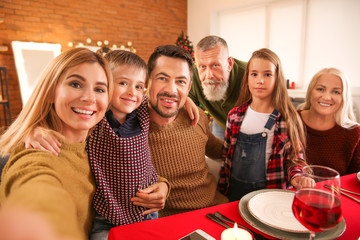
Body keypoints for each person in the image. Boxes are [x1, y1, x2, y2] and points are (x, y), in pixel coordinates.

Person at [22, 50, 170, 240]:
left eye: (139, 86)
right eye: (123, 83)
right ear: (106, 86)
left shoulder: (142, 109)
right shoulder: (95, 117)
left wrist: (189, 101)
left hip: (146, 210)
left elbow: (164, 99)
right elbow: (54, 117)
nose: (132, 92)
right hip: (107, 215)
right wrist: (33, 130)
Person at [0, 47, 113, 240]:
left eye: (100, 89)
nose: (89, 97)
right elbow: (38, 191)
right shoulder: (36, 150)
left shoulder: (97, 145)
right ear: (50, 92)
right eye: (76, 84)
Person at [146, 45, 228, 217]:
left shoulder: (196, 117)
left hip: (216, 211)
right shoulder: (130, 128)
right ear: (147, 81)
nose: (171, 90)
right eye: (162, 78)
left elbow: (217, 149)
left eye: (180, 81)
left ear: (189, 88)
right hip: (171, 223)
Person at [218, 48, 307, 201]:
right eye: (254, 74)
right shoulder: (234, 116)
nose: (260, 80)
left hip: (270, 195)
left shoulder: (286, 119)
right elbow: (226, 157)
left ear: (277, 78)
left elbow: (294, 160)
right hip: (234, 192)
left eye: (267, 74)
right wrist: (220, 190)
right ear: (247, 78)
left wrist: (296, 176)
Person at [298, 67, 360, 175]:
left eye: (336, 92)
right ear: (310, 91)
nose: (326, 97)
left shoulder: (354, 133)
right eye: (320, 89)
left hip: (334, 191)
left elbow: (354, 180)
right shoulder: (290, 120)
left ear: (344, 97)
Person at [189, 35, 247, 139]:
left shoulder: (250, 74)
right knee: (220, 154)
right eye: (202, 67)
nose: (208, 75)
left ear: (229, 64)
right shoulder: (192, 76)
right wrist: (186, 100)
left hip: (249, 129)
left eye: (215, 65)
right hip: (221, 124)